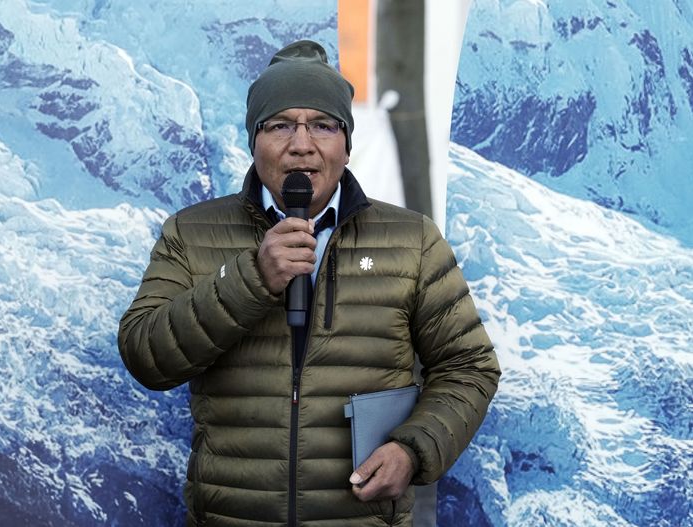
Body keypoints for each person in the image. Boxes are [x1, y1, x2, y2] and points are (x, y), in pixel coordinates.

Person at [118, 39, 500, 527]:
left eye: (322, 125)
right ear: (253, 141)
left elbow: (469, 366)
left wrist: (413, 449)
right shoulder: (191, 234)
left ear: (346, 143)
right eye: (279, 125)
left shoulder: (411, 241)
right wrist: (250, 279)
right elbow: (144, 355)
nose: (301, 143)